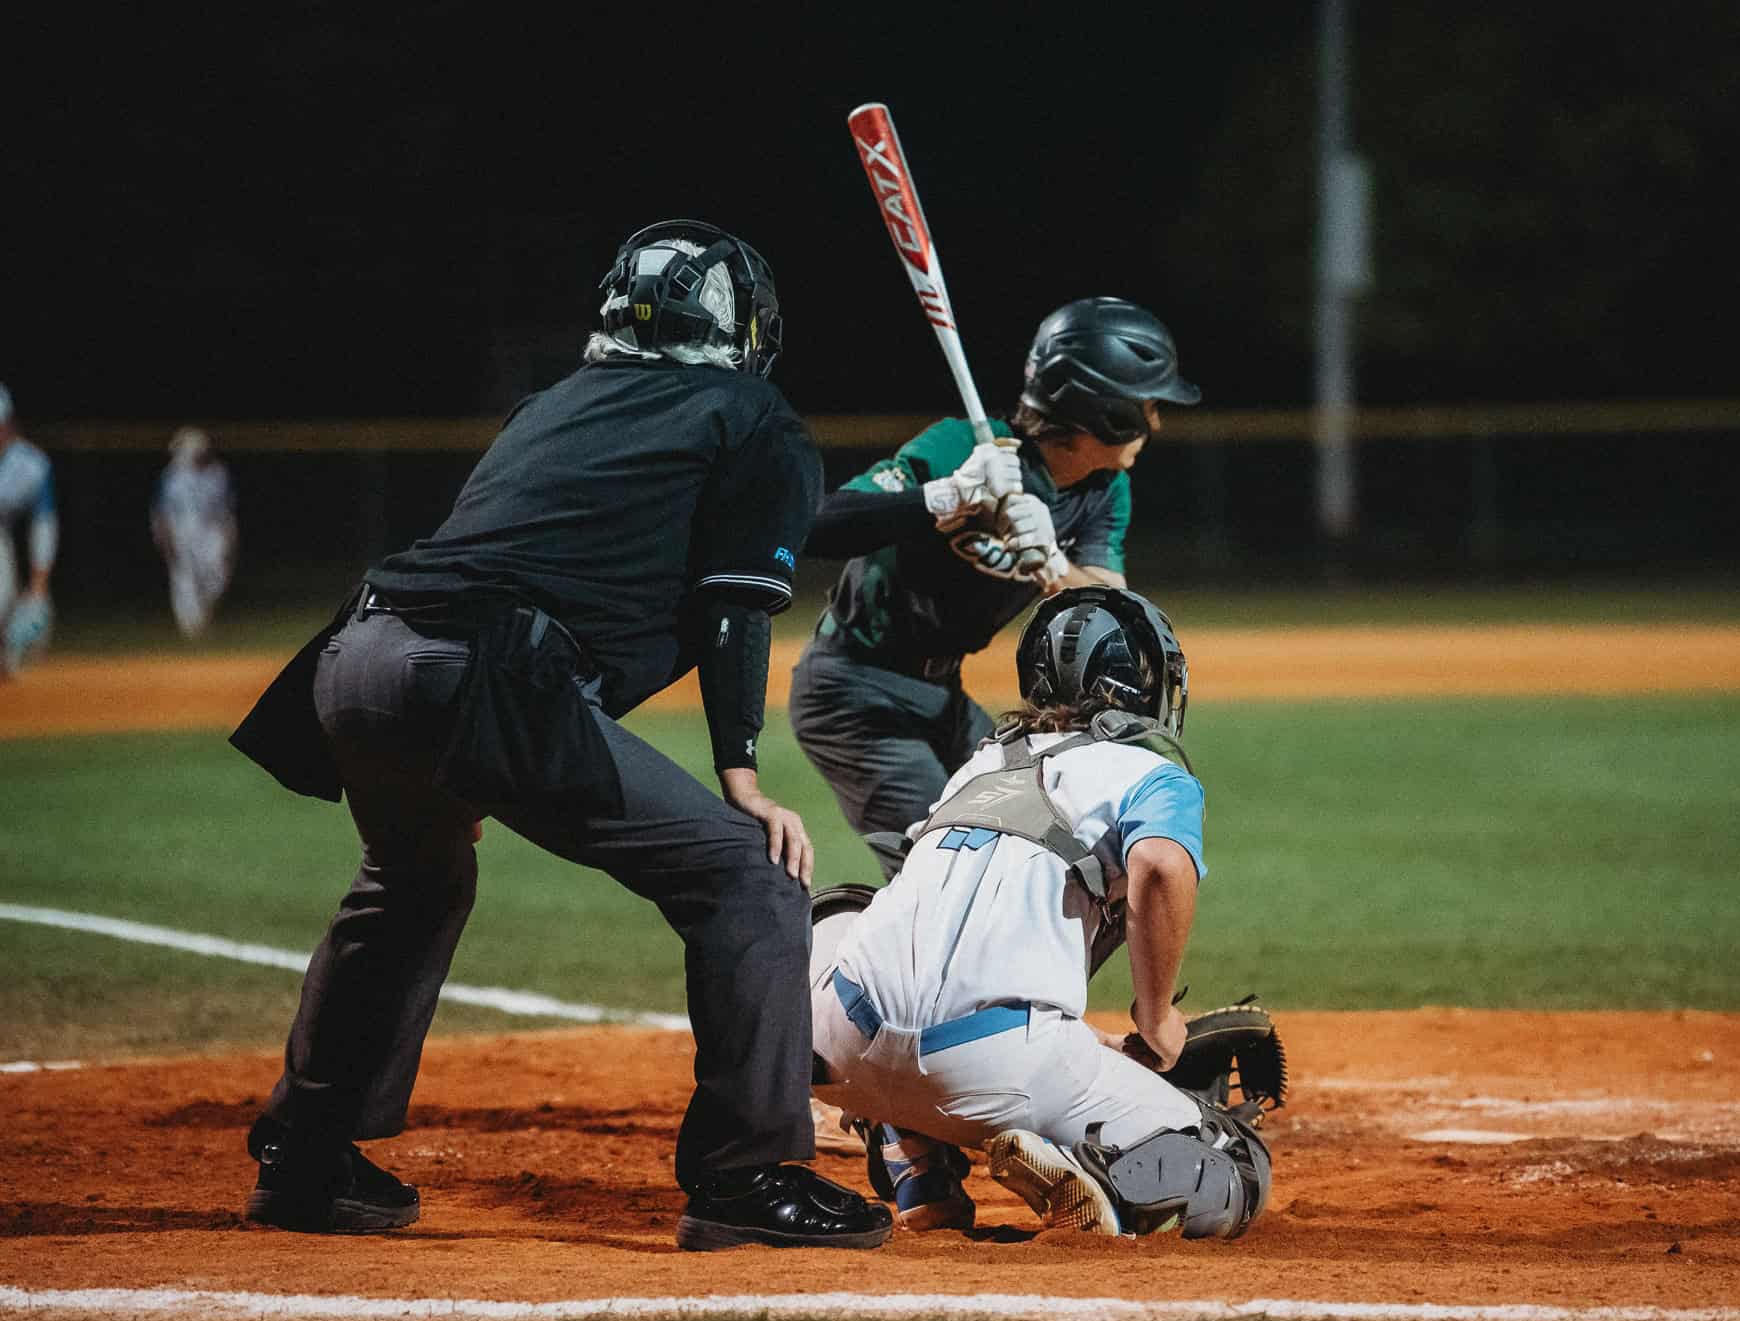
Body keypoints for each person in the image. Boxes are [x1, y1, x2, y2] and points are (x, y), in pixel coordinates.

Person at [228, 218, 891, 1251]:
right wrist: (742, 774)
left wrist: (929, 502)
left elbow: (756, 523)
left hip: (355, 653)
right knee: (746, 878)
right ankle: (744, 1173)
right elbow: (735, 598)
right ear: (740, 323)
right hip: (481, 673)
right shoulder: (749, 411)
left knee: (413, 875)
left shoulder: (556, 408)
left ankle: (306, 1155)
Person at [807, 587, 1272, 1241]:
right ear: (1149, 686)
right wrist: (1155, 1015)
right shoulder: (1153, 774)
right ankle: (1096, 1170)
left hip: (839, 1046)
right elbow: (1162, 867)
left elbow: (949, 941)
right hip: (992, 1075)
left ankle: (915, 1159)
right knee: (1237, 1168)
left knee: (849, 910)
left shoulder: (977, 765)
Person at [790, 297, 1201, 883]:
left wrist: (1051, 561)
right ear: (1104, 411)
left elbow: (1114, 619)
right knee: (950, 875)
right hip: (853, 691)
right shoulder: (963, 450)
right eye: (1147, 404)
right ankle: (845, 970)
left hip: (942, 697)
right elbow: (820, 523)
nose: (1155, 421)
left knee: (1070, 852)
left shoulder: (1104, 489)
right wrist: (946, 499)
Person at [151, 427, 238, 637]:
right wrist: (164, 536)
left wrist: (230, 532)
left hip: (212, 529)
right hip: (181, 529)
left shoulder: (218, 472)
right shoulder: (172, 475)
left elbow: (227, 507)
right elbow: (160, 511)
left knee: (219, 574)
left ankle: (202, 611)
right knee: (184, 577)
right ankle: (192, 627)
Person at [0, 382, 58, 680]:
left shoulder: (31, 464)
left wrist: (39, 583)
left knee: (5, 599)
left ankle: (5, 661)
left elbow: (44, 524)